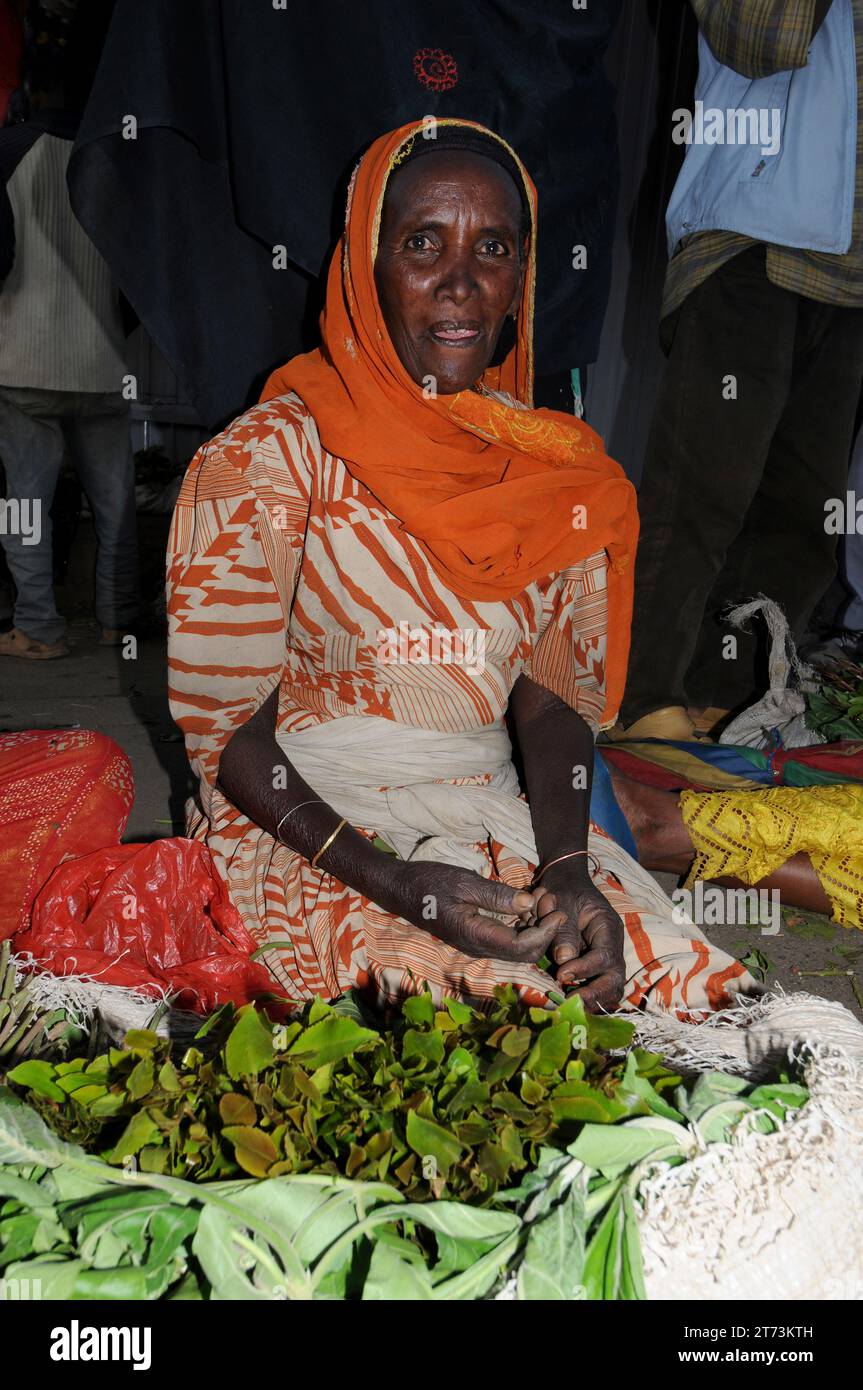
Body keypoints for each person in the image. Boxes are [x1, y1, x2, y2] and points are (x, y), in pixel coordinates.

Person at [168, 118, 756, 1018]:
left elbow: (552, 691)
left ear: (522, 278)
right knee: (469, 1008)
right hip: (307, 820)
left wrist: (566, 865)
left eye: (493, 248)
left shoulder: (557, 470)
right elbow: (226, 737)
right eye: (419, 245)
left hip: (489, 809)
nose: (459, 282)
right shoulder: (270, 461)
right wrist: (396, 882)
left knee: (682, 991)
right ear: (365, 270)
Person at [616, 0, 863, 742]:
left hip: (851, 272)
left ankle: (723, 700)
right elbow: (757, 34)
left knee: (800, 515)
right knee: (701, 488)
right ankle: (640, 697)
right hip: (751, 232)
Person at [0, 73, 140, 659]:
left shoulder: (7, 151)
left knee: (24, 504)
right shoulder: (114, 157)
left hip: (21, 362)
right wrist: (109, 326)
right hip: (103, 364)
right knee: (116, 504)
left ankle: (38, 629)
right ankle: (120, 625)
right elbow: (138, 277)